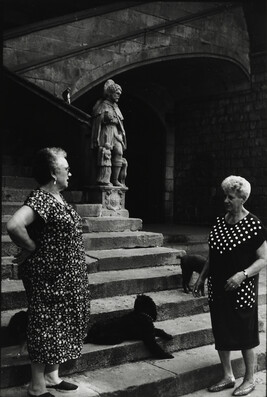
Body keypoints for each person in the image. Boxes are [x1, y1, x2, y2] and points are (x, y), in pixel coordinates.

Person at [7, 147, 91, 397]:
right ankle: (37, 385)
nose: (70, 172)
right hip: (49, 276)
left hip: (67, 275)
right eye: (66, 168)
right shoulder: (41, 198)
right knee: (45, 324)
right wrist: (32, 247)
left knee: (63, 322)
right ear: (54, 174)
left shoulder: (58, 198)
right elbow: (14, 225)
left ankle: (53, 377)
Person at [193, 175, 267, 396]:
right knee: (221, 329)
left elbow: (263, 259)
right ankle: (227, 376)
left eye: (230, 197)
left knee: (245, 332)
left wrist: (242, 275)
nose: (225, 200)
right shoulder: (219, 222)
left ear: (242, 199)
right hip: (218, 286)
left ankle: (250, 378)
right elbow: (213, 256)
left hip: (241, 287)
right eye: (225, 195)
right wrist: (202, 277)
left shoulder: (253, 224)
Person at [91, 79, 127, 187]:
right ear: (110, 93)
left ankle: (115, 180)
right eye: (117, 93)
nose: (118, 96)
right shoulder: (103, 105)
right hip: (106, 131)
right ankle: (105, 179)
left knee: (119, 152)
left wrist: (121, 133)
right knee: (106, 154)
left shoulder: (116, 107)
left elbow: (120, 122)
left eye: (119, 94)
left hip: (115, 132)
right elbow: (97, 120)